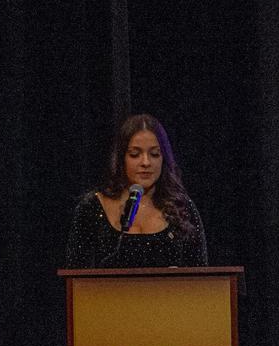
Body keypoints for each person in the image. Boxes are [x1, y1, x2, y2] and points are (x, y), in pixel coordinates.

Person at [63, 114, 207, 269]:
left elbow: (200, 277)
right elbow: (76, 276)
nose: (146, 162)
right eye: (135, 154)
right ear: (121, 159)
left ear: (163, 159)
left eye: (154, 154)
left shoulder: (182, 208)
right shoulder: (91, 207)